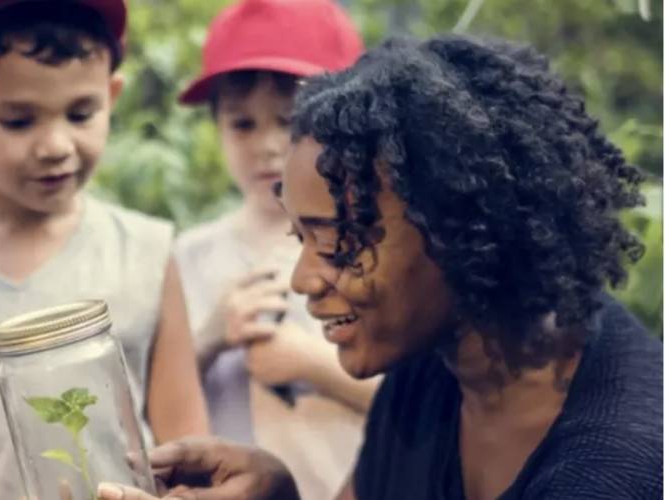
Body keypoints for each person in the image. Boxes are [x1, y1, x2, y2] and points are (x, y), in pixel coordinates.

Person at [96, 34, 663, 500]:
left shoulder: (616, 469)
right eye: (300, 238)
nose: (303, 280)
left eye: (338, 241)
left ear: (463, 224)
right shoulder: (432, 367)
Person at [0, 1, 209, 499]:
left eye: (81, 113)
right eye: (18, 121)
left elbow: (185, 437)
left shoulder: (146, 252)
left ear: (112, 96)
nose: (55, 145)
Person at [173, 2, 373, 497]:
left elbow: (429, 401)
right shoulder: (186, 259)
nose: (266, 145)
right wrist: (209, 338)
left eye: (289, 122)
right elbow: (154, 406)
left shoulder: (375, 249)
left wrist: (312, 365)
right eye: (242, 124)